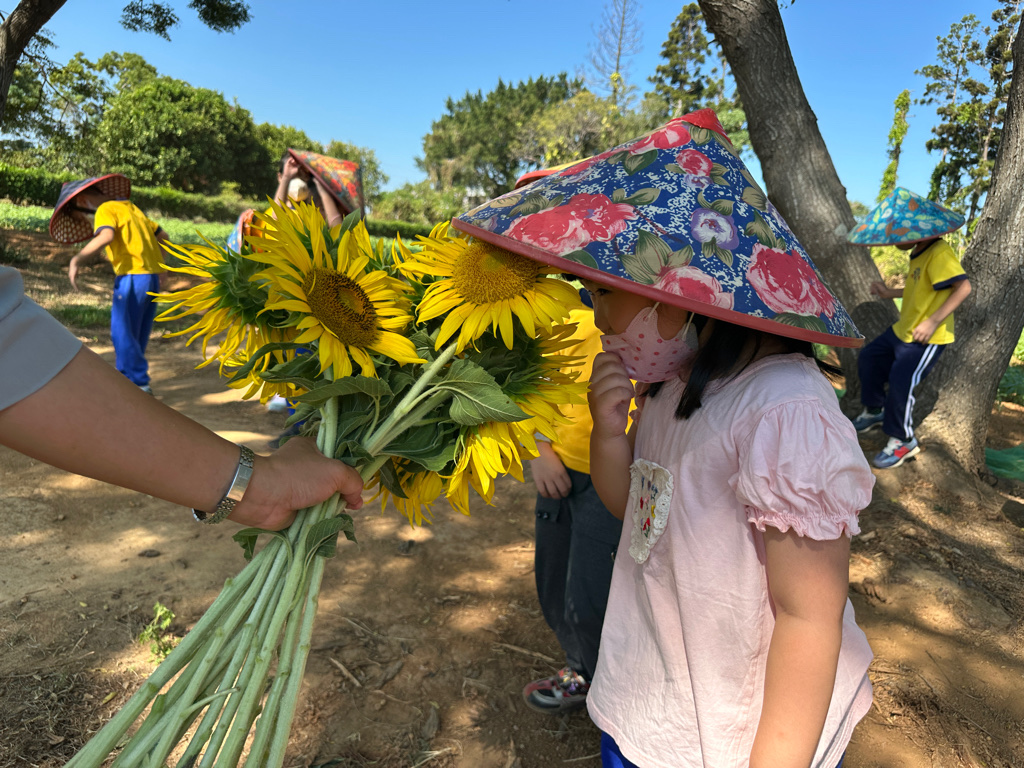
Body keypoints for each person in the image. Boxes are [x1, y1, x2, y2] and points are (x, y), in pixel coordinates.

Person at [450, 109, 874, 767]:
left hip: (738, 733)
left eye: (601, 293)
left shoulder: (783, 412)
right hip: (654, 699)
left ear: (680, 292)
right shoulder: (670, 388)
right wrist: (609, 436)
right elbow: (636, 512)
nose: (596, 315)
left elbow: (809, 618)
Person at [0, 264, 364, 530]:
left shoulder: (111, 212)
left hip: (132, 277)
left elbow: (11, 346)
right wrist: (259, 488)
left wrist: (260, 490)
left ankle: (137, 376)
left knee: (125, 332)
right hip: (145, 276)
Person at [523, 302, 624, 715]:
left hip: (617, 480)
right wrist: (539, 448)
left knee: (592, 592)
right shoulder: (565, 310)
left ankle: (609, 689)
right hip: (560, 471)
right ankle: (580, 671)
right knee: (553, 581)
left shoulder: (653, 325)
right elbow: (537, 382)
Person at [846, 187, 971, 469]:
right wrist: (890, 293)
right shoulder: (919, 251)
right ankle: (874, 409)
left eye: (900, 233)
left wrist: (933, 321)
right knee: (869, 358)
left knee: (901, 383)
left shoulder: (939, 252)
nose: (895, 240)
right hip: (904, 329)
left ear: (920, 230)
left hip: (926, 337)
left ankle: (904, 440)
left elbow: (963, 287)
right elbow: (921, 288)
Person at [50, 174, 168, 393]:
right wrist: (160, 266)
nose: (85, 221)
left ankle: (135, 383)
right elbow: (164, 236)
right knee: (137, 332)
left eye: (80, 217)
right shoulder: (130, 208)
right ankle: (135, 381)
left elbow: (106, 236)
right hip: (150, 278)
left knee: (122, 331)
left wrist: (77, 260)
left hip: (131, 276)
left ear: (82, 201)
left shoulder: (104, 210)